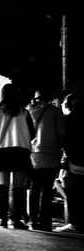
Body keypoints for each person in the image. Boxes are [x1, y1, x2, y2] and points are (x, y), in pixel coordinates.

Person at [0, 83, 35, 229]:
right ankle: (17, 220)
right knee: (19, 188)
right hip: (21, 151)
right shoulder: (24, 112)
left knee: (3, 186)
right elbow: (32, 133)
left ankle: (4, 220)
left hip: (3, 151)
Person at [27, 87, 66, 231]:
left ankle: (33, 221)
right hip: (50, 153)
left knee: (35, 188)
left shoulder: (29, 111)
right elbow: (61, 133)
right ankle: (45, 222)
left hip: (33, 154)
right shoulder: (55, 111)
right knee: (47, 190)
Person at [54, 93, 84, 233]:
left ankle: (74, 223)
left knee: (72, 191)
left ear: (68, 105)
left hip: (74, 162)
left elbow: (63, 140)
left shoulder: (68, 119)